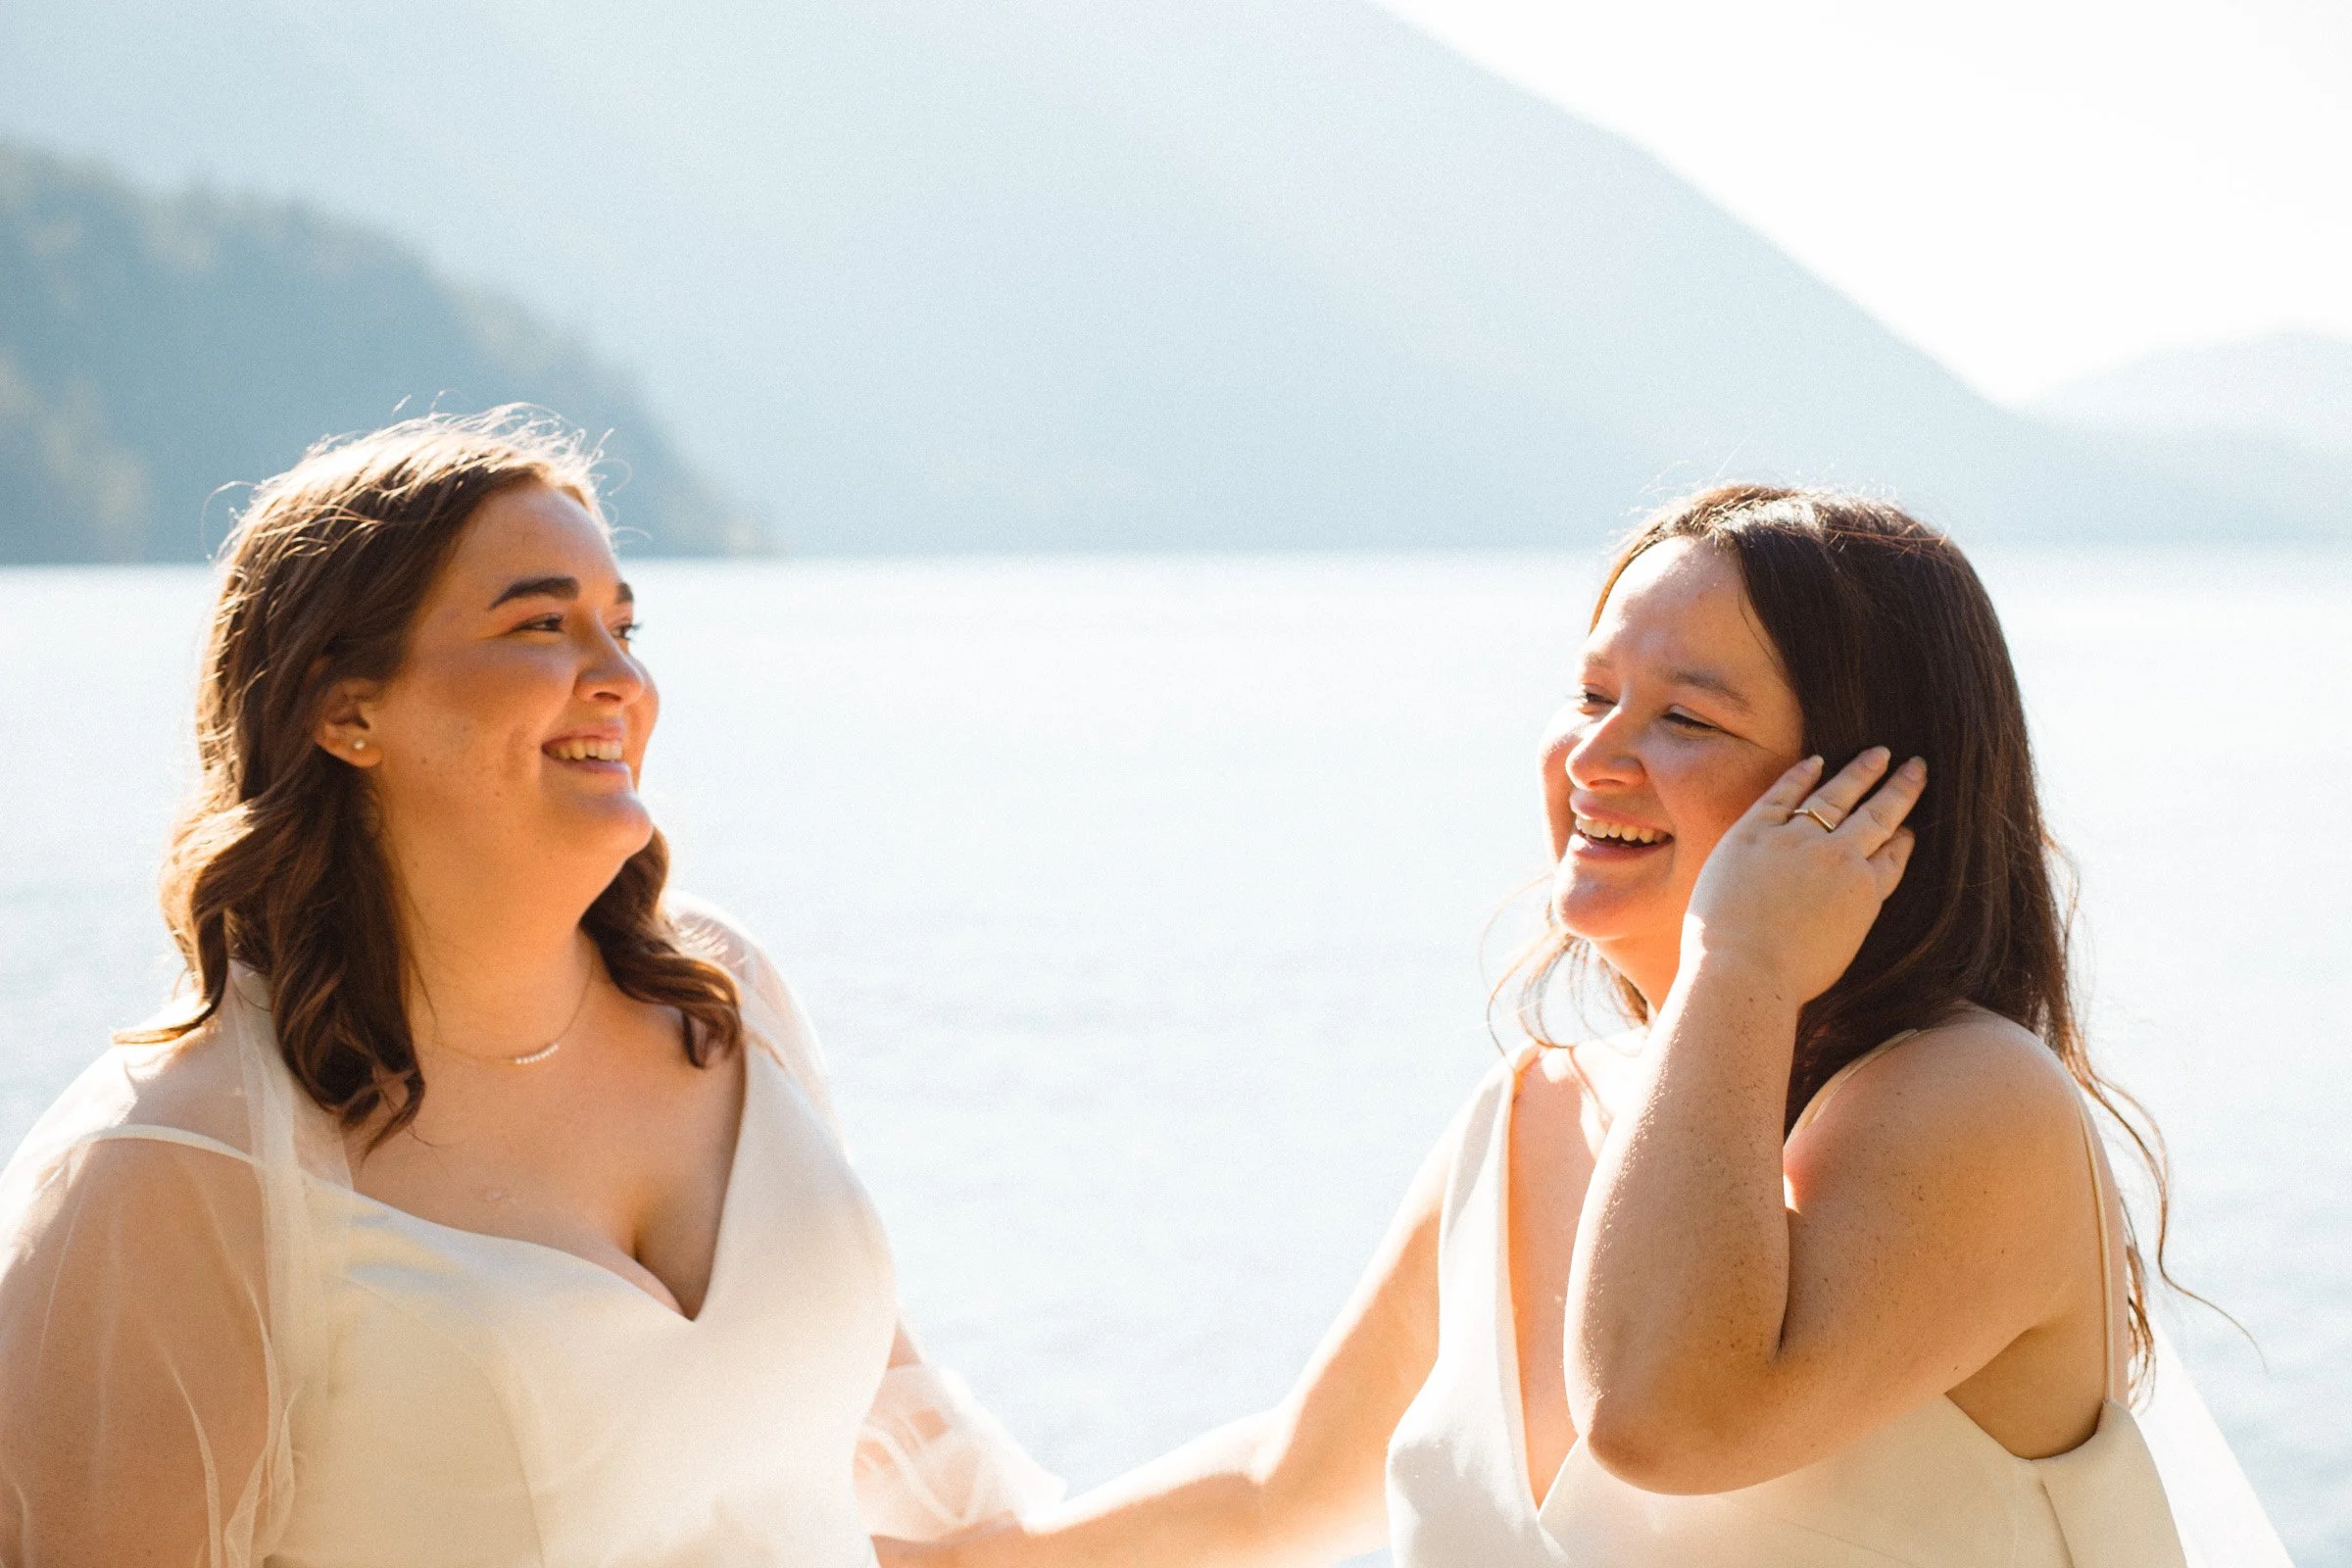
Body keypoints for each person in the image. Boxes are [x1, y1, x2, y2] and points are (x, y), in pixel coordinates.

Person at [878, 485, 2286, 1567]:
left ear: (1867, 798)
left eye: (1684, 715)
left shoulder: (1974, 1104)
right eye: (1591, 692)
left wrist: (1742, 965)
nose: (1596, 756)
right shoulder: (1530, 1114)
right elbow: (1295, 1476)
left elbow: (1669, 1419)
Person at [0, 411, 1060, 1565]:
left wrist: (1281, 1490)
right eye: (543, 624)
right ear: (346, 708)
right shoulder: (174, 1157)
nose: (621, 680)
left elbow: (953, 1539)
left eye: (625, 626)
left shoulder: (725, 1002)